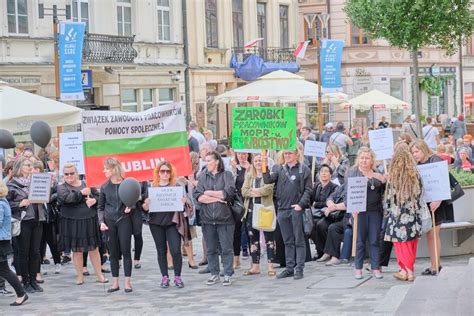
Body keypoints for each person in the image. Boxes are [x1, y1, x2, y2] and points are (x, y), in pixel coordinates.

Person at [263, 145, 312, 280]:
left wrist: (300, 205)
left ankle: (299, 268)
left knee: (299, 240)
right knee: (287, 241)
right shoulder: (280, 169)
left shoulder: (304, 169)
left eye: (290, 154)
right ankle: (290, 268)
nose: (287, 156)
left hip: (295, 210)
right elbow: (268, 180)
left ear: (297, 155)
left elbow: (308, 190)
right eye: (285, 154)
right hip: (282, 210)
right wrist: (264, 166)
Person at [57, 163, 108, 285]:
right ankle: (80, 276)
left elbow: (99, 196)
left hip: (89, 220)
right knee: (77, 250)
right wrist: (81, 193)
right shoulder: (61, 187)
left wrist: (94, 200)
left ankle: (99, 275)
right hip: (72, 222)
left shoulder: (87, 183)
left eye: (72, 173)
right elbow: (67, 199)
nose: (69, 176)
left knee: (94, 249)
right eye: (66, 174)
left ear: (77, 173)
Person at [142, 161, 190, 288]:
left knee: (175, 250)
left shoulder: (176, 187)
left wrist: (184, 202)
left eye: (167, 171)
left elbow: (186, 207)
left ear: (171, 173)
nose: (165, 174)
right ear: (158, 173)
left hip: (172, 223)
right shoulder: (152, 187)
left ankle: (178, 276)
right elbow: (145, 209)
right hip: (156, 223)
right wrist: (146, 205)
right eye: (162, 171)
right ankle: (164, 276)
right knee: (161, 250)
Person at [410, 140, 454, 275]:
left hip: (438, 203)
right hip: (426, 204)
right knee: (430, 235)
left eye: (417, 151)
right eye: (413, 152)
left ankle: (435, 266)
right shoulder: (418, 164)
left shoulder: (435, 160)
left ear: (424, 149)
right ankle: (435, 264)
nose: (415, 154)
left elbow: (444, 182)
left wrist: (438, 200)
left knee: (432, 234)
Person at [194, 151, 236, 286]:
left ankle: (228, 273)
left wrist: (209, 193)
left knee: (226, 247)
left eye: (209, 161)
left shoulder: (227, 175)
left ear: (217, 161)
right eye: (205, 161)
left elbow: (227, 194)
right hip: (207, 218)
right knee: (211, 248)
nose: (206, 163)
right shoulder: (203, 176)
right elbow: (199, 196)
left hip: (224, 218)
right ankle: (214, 273)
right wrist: (216, 198)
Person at [384, 144, 424, 282]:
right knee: (411, 243)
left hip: (398, 216)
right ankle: (407, 270)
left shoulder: (394, 175)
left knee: (400, 244)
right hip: (413, 215)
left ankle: (406, 271)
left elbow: (389, 198)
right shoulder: (415, 174)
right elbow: (420, 194)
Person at [7, 157, 46, 293]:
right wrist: (19, 204)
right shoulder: (12, 185)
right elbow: (6, 205)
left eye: (31, 165)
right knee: (23, 252)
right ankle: (26, 281)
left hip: (37, 219)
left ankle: (34, 280)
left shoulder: (36, 181)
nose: (30, 167)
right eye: (27, 165)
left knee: (35, 252)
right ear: (19, 167)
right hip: (23, 221)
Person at [346, 147, 386, 279]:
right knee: (359, 241)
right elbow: (347, 192)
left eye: (367, 158)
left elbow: (384, 190)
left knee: (374, 240)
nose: (364, 160)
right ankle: (358, 268)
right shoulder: (353, 172)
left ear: (372, 160)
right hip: (359, 212)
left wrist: (384, 180)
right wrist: (351, 208)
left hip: (374, 211)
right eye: (362, 158)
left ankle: (375, 267)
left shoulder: (376, 172)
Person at [98, 158, 134, 293]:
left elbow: (134, 199)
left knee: (126, 250)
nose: (104, 171)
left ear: (113, 169)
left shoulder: (126, 184)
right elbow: (100, 207)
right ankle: (115, 282)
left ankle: (127, 282)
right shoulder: (104, 187)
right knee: (113, 252)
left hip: (124, 220)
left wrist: (131, 206)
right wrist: (101, 222)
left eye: (106, 168)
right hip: (109, 222)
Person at [241, 154, 276, 277]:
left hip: (265, 209)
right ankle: (255, 266)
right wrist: (256, 192)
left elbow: (268, 189)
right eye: (255, 160)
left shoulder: (269, 175)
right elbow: (244, 191)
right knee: (253, 239)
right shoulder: (249, 176)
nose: (258, 163)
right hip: (250, 210)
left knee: (269, 239)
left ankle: (270, 265)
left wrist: (254, 192)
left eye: (260, 160)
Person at [0, 181, 28, 306]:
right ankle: (21, 293)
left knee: (4, 270)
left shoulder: (0, 203)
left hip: (1, 241)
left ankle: (21, 294)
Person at [309, 164, 338, 260]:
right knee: (310, 226)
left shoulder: (334, 187)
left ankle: (326, 251)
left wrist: (316, 204)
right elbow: (311, 200)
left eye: (326, 171)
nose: (324, 173)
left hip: (328, 215)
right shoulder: (317, 186)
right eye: (322, 171)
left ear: (330, 175)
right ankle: (320, 250)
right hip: (316, 214)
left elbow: (330, 202)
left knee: (320, 225)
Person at [317, 184, 348, 266]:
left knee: (333, 227)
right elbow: (330, 197)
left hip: (349, 216)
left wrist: (335, 207)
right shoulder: (342, 186)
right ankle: (327, 252)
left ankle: (334, 256)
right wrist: (330, 203)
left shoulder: (355, 185)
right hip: (336, 214)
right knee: (321, 225)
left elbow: (349, 204)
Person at [231, 151, 252, 269]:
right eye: (239, 154)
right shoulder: (234, 168)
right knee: (236, 231)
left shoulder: (251, 167)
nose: (242, 156)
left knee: (250, 230)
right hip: (238, 203)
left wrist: (250, 170)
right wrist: (234, 170)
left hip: (249, 201)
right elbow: (231, 184)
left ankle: (254, 260)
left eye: (244, 154)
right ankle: (236, 259)